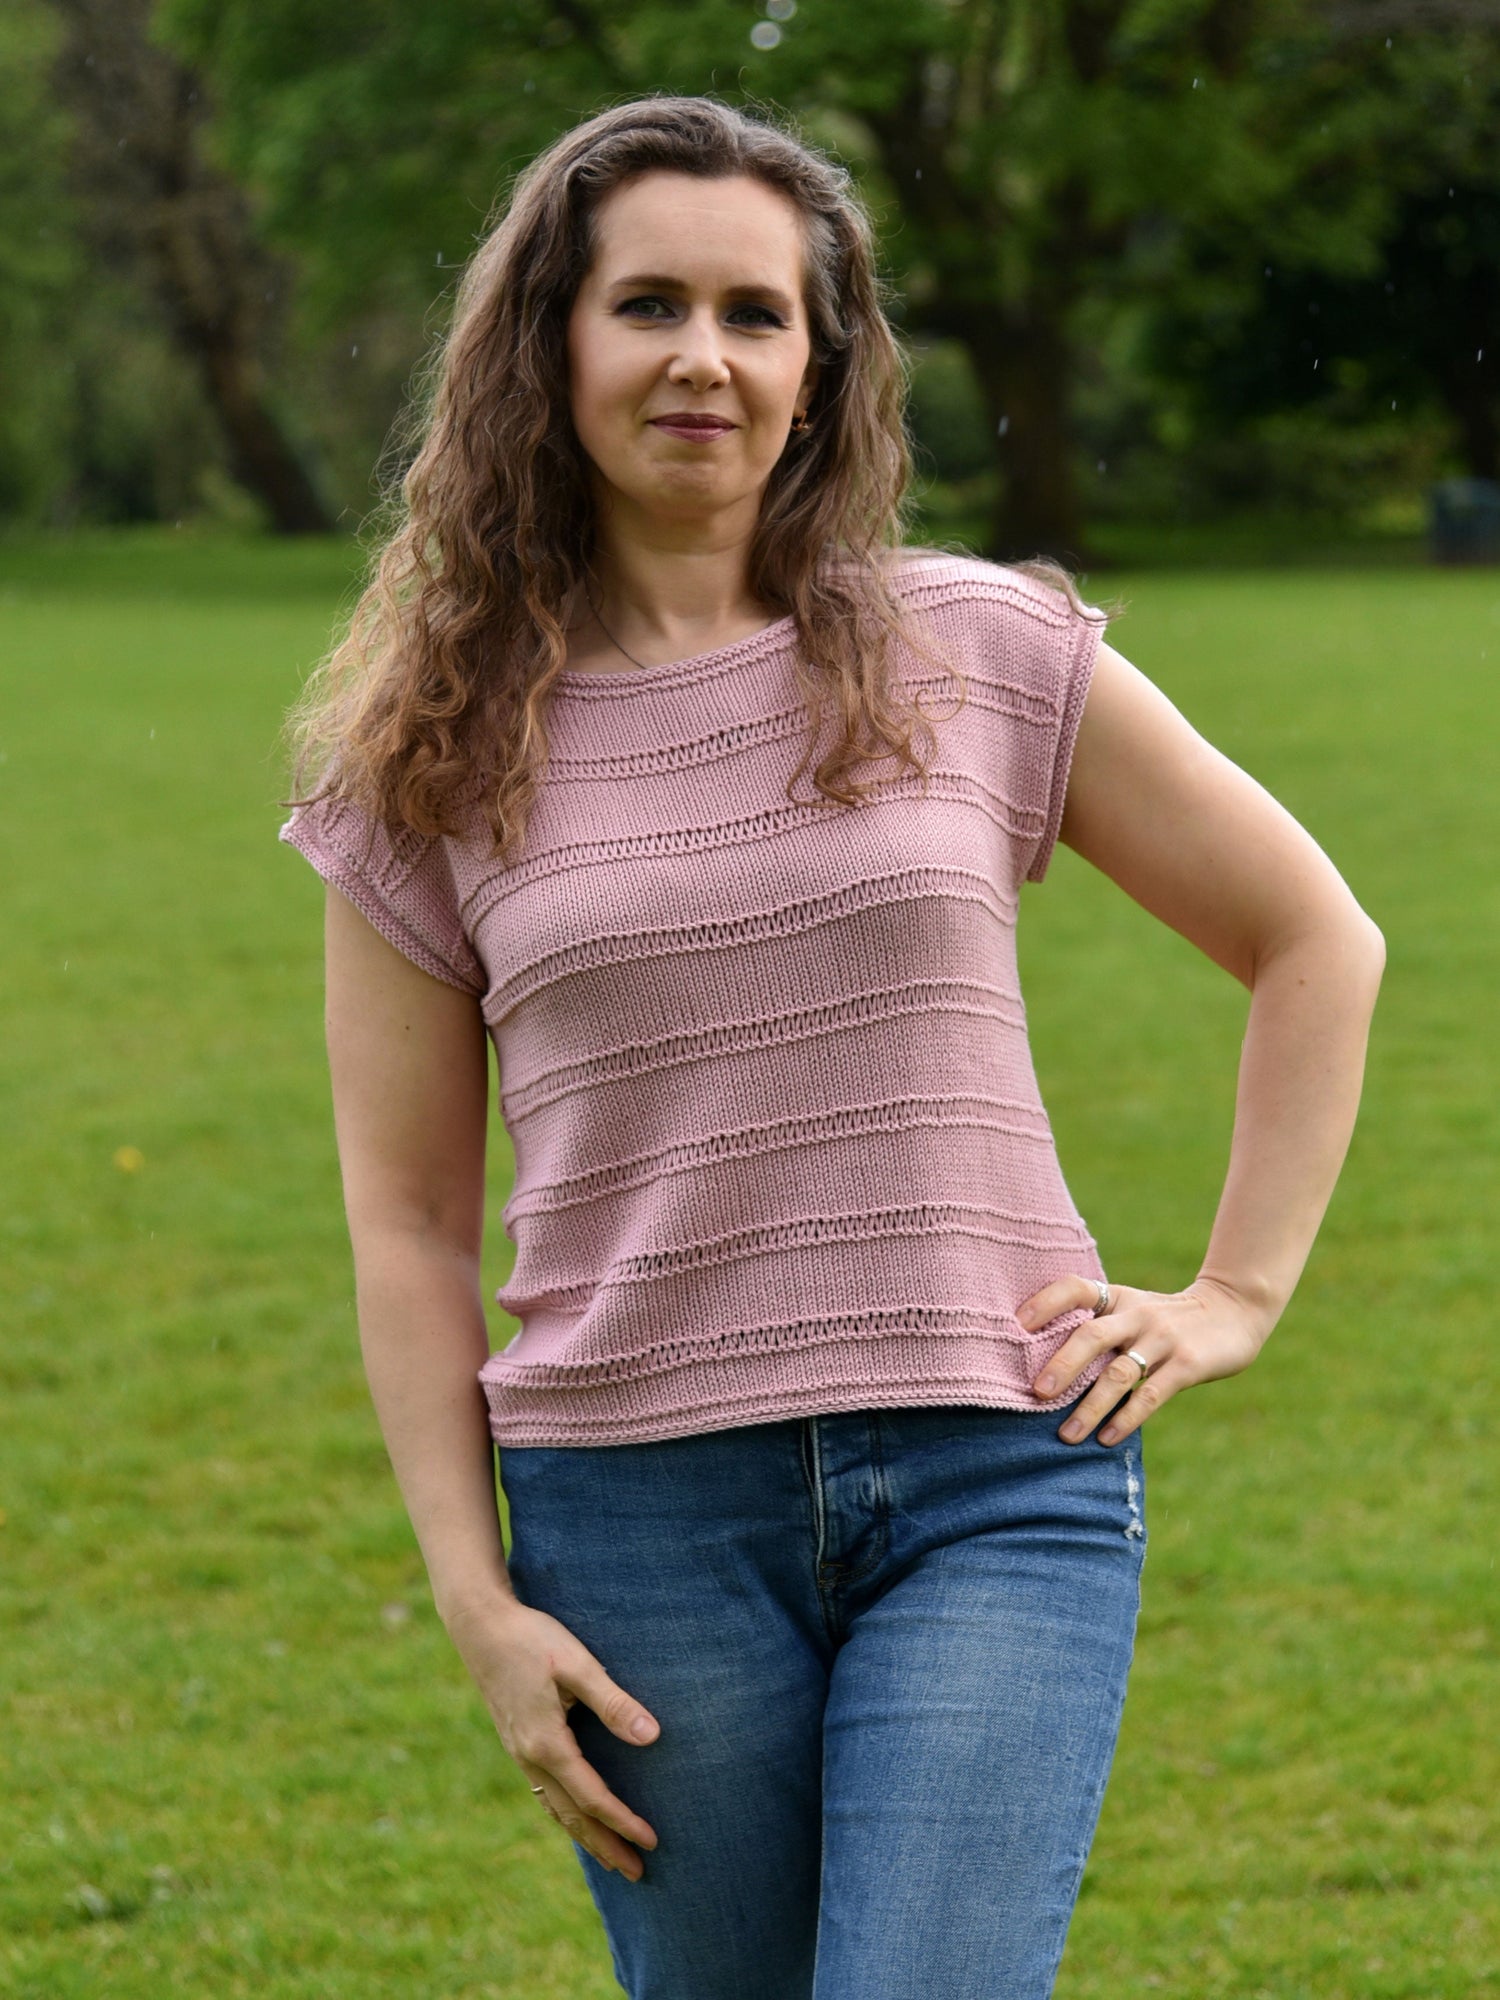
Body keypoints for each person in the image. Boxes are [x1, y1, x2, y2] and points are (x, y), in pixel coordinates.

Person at [277, 95, 1384, 2000]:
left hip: (995, 1478)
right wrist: (475, 1597)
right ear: (550, 344)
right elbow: (408, 1218)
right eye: (647, 304)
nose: (702, 357)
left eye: (756, 313)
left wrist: (1235, 1294)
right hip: (639, 1523)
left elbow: (1315, 938)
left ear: (820, 366)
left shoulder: (976, 648)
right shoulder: (428, 756)